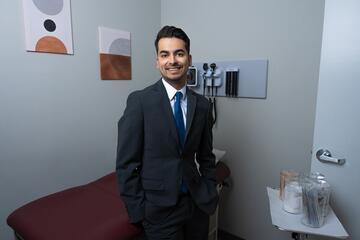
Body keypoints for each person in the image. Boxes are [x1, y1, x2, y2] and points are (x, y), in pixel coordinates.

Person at [116, 25, 219, 240]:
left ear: (189, 59)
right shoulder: (140, 102)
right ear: (157, 61)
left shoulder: (201, 105)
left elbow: (206, 157)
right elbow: (126, 164)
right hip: (159, 211)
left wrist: (209, 190)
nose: (172, 60)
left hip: (196, 205)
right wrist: (139, 211)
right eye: (165, 54)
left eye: (179, 53)